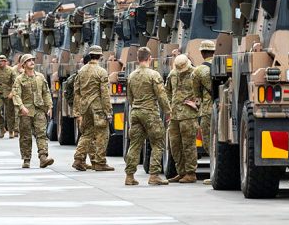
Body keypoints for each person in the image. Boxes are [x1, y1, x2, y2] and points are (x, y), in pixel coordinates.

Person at [124, 46, 171, 186]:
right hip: (150, 113)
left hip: (136, 113)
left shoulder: (131, 76)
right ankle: (154, 175)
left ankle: (129, 176)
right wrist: (168, 111)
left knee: (135, 144)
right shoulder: (153, 75)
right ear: (149, 58)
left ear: (138, 59)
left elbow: (130, 98)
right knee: (158, 142)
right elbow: (161, 96)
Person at [166, 53, 207, 183]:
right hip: (174, 116)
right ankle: (181, 172)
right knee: (175, 145)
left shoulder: (196, 73)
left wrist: (197, 103)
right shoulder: (172, 74)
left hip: (189, 116)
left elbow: (206, 92)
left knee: (188, 145)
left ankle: (190, 173)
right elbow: (167, 91)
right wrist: (169, 106)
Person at [72, 45, 114, 171]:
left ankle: (78, 159)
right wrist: (108, 111)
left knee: (86, 133)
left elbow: (77, 91)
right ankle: (99, 162)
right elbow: (105, 94)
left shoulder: (81, 71)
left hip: (85, 107)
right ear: (100, 56)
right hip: (98, 107)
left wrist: (78, 110)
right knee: (102, 133)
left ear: (90, 55)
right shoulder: (101, 72)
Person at [12, 54, 55, 169]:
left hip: (39, 110)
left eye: (32, 60)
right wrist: (21, 107)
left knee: (41, 133)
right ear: (23, 64)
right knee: (26, 136)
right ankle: (26, 159)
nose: (31, 62)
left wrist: (49, 106)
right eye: (28, 61)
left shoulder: (40, 77)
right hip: (25, 111)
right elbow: (16, 95)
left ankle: (43, 157)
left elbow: (46, 92)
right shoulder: (19, 79)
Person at [0, 55, 18, 138]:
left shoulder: (11, 70)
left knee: (10, 113)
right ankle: (2, 128)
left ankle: (11, 130)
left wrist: (12, 93)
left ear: (5, 61)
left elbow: (16, 83)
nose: (0, 62)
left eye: (2, 61)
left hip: (8, 94)